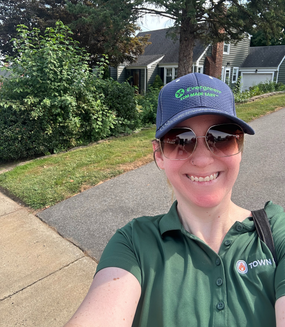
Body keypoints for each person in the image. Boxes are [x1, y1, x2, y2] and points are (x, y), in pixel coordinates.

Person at [64, 72, 285, 327]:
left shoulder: (275, 230)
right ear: (159, 155)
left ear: (240, 147)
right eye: (181, 141)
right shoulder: (134, 243)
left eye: (222, 138)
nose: (202, 160)